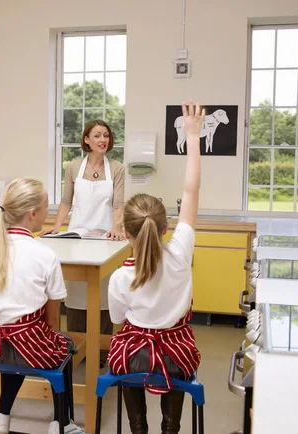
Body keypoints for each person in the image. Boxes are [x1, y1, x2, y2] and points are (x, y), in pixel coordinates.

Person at [106, 101, 204, 434]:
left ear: (126, 234)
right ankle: (170, 426)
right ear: (165, 228)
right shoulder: (180, 251)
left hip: (134, 356)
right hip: (178, 355)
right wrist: (193, 137)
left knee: (120, 351)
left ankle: (137, 427)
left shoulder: (120, 276)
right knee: (176, 361)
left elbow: (118, 320)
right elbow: (192, 191)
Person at [0, 178, 84, 434]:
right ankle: (62, 422)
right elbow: (53, 321)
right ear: (33, 214)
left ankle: (1, 416)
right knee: (62, 344)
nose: (50, 212)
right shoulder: (45, 255)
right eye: (47, 207)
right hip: (29, 347)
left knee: (14, 342)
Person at [40, 120, 125, 346]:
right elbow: (66, 201)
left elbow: (119, 203)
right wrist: (58, 226)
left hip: (105, 237)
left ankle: (101, 348)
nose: (102, 140)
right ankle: (75, 345)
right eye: (97, 135)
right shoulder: (73, 167)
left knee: (103, 291)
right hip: (78, 237)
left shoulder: (117, 168)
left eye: (106, 135)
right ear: (86, 139)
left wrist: (116, 226)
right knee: (77, 289)